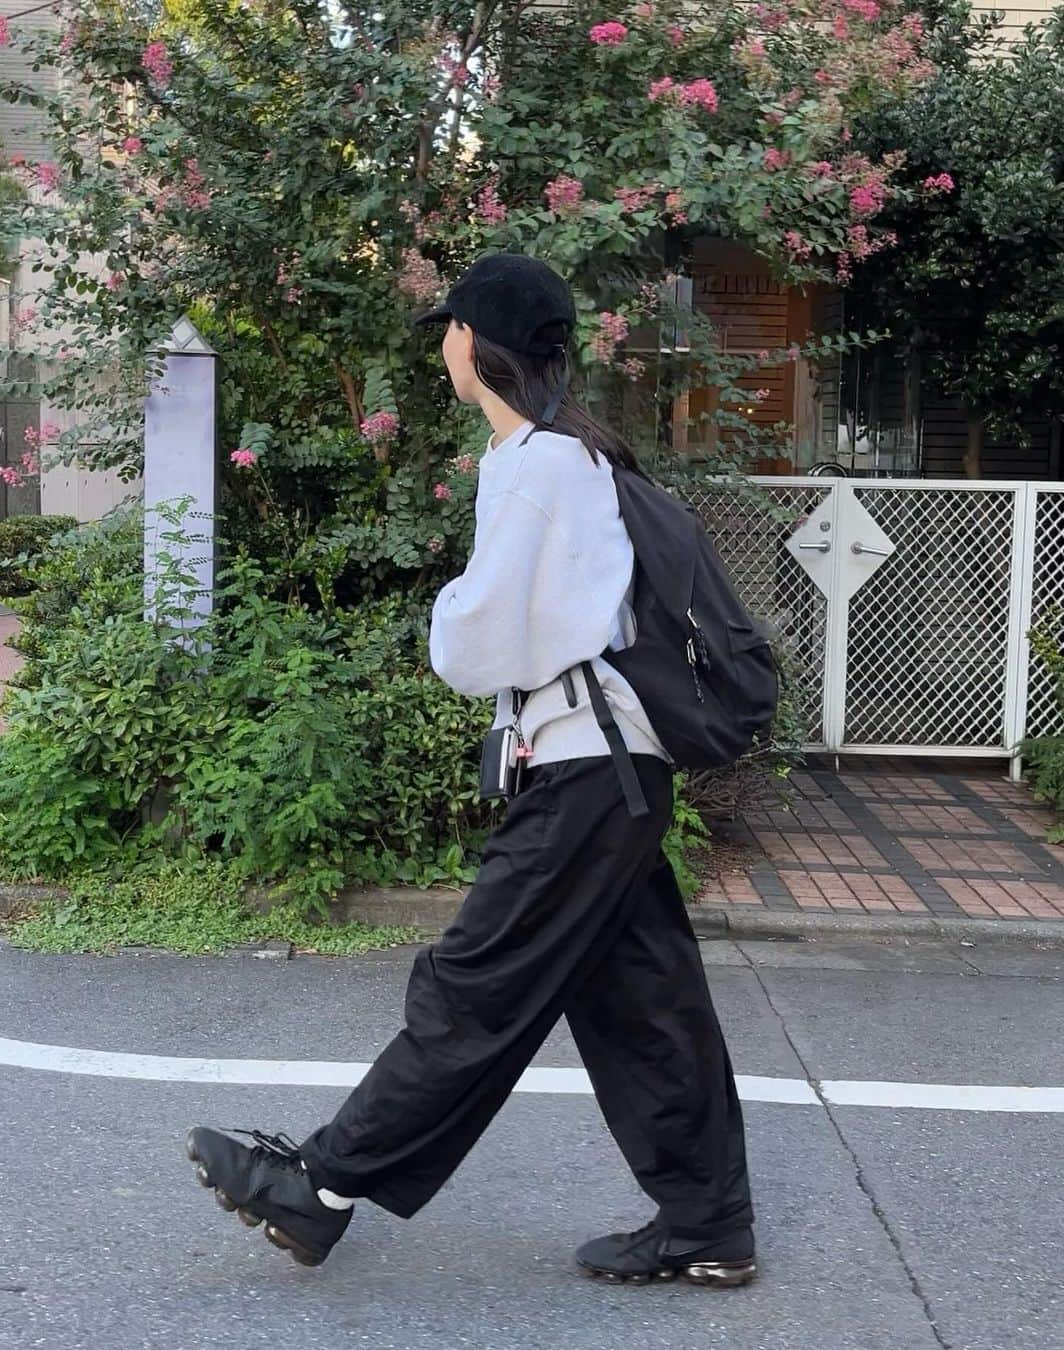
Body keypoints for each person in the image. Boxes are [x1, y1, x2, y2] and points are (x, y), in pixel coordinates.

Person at [185, 253, 756, 1288]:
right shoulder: (576, 456)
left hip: (588, 780)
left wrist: (447, 610)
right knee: (644, 1004)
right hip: (616, 775)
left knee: (474, 986)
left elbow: (475, 642)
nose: (443, 343)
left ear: (477, 342)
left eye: (450, 328)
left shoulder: (534, 464)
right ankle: (709, 1222)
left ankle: (316, 1189)